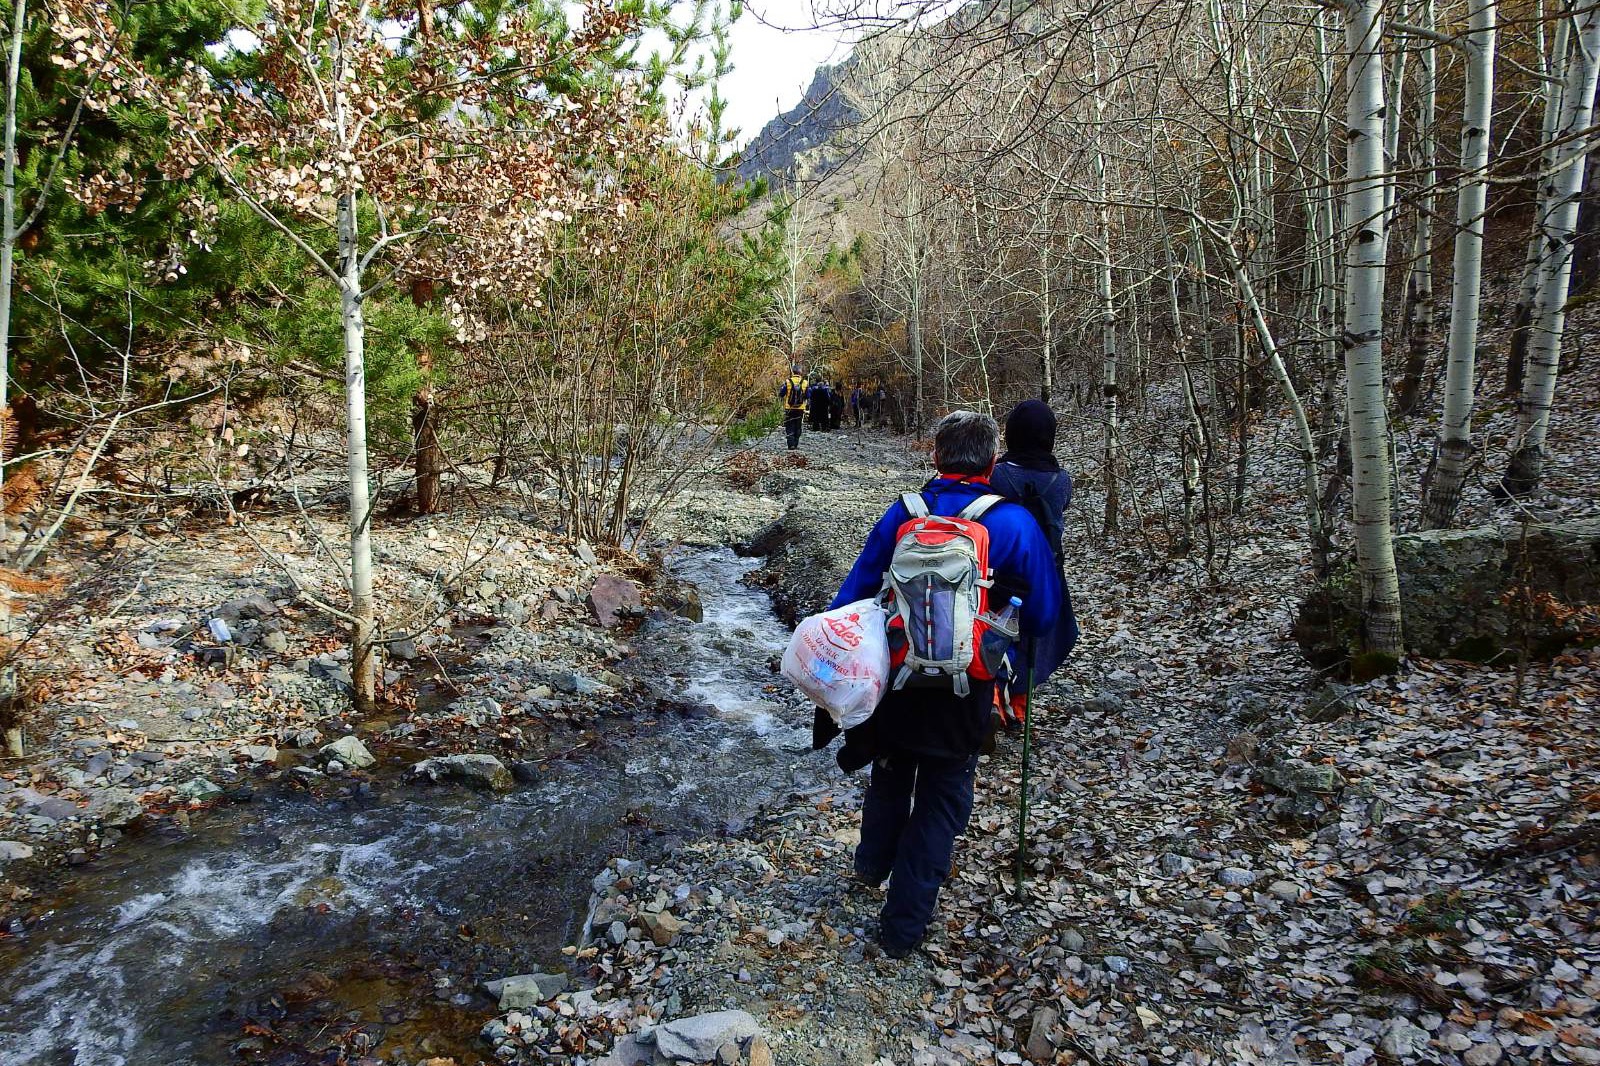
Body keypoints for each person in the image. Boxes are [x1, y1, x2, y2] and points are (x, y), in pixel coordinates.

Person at [813, 411, 1067, 958]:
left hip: (897, 677)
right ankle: (902, 929)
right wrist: (1019, 675)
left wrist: (835, 671)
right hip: (966, 687)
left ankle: (871, 865)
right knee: (941, 798)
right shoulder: (1015, 523)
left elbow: (854, 594)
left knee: (891, 768)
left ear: (934, 456)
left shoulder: (905, 512)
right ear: (992, 462)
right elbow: (1046, 613)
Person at [989, 399, 1079, 723]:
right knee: (1035, 634)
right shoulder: (1061, 482)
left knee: (997, 627)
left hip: (1001, 567)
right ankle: (1021, 702)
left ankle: (995, 693)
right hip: (1047, 569)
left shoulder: (997, 476)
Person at [779, 366, 808, 450]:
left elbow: (781, 394)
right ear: (800, 372)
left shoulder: (788, 382)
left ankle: (790, 444)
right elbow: (807, 396)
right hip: (800, 408)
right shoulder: (805, 382)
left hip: (789, 408)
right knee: (798, 425)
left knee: (789, 425)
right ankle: (795, 443)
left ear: (793, 372)